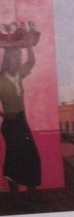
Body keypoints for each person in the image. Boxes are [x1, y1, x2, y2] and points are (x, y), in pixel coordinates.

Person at [0, 45, 41, 196]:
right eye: (14, 57)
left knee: (31, 156)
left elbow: (31, 61)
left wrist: (29, 44)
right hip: (10, 125)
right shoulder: (1, 80)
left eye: (19, 57)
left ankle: (31, 196)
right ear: (7, 59)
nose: (18, 60)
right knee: (14, 159)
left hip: (22, 121)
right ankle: (15, 197)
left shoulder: (19, 74)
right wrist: (3, 114)